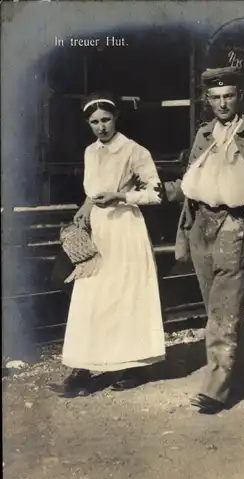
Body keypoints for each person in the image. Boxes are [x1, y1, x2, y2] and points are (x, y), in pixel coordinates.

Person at [164, 67, 244, 414]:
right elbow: (192, 183)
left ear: (239, 97)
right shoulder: (204, 135)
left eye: (229, 96)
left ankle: (217, 388)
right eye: (216, 98)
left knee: (222, 309)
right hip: (201, 225)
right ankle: (243, 379)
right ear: (207, 101)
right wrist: (163, 191)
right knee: (220, 307)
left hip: (235, 226)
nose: (222, 103)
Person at [50, 91, 166, 398]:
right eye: (94, 122)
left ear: (116, 118)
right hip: (99, 231)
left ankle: (133, 366)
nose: (101, 127)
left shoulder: (133, 150)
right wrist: (83, 211)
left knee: (124, 296)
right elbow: (93, 192)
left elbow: (156, 193)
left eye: (105, 120)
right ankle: (82, 371)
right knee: (90, 297)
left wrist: (121, 196)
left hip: (125, 230)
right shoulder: (91, 152)